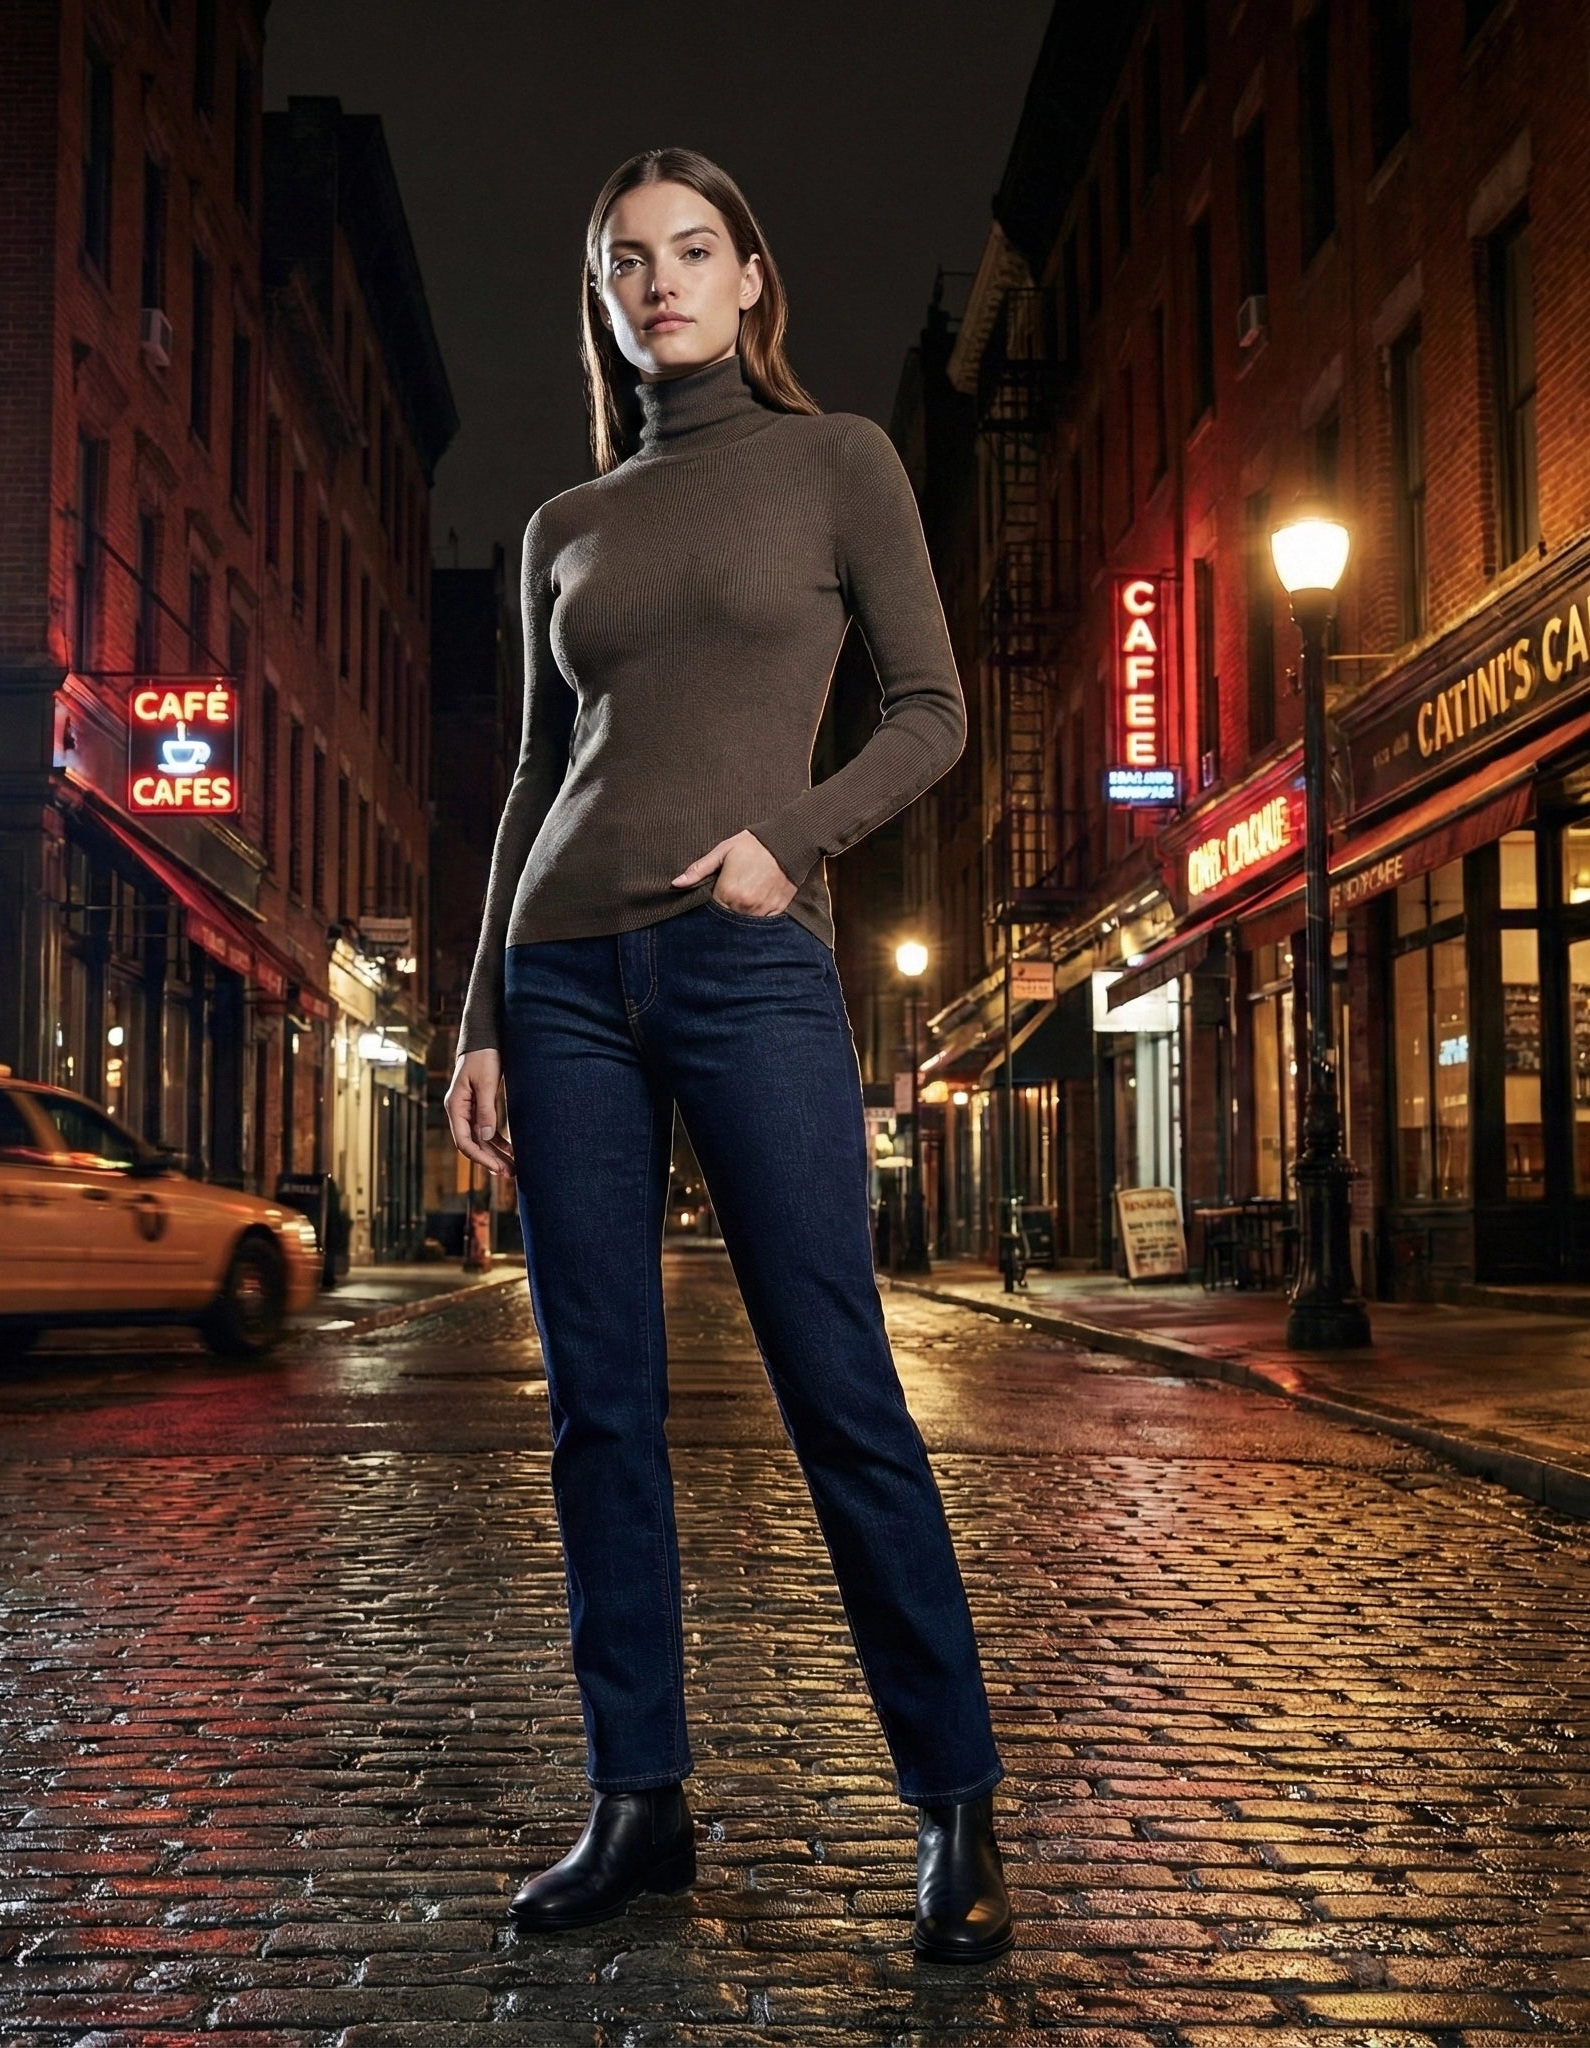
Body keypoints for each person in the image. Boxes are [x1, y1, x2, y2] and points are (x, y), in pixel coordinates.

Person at [445, 147, 1011, 1966]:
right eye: (630, 260)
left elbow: (932, 711)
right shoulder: (562, 524)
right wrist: (477, 1015)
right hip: (560, 976)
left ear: (753, 276)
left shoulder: (841, 461)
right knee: (598, 1403)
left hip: (751, 961)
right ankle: (640, 1799)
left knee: (838, 1383)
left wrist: (793, 843)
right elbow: (532, 778)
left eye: (694, 250)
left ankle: (954, 1800)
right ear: (603, 300)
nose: (663, 281)